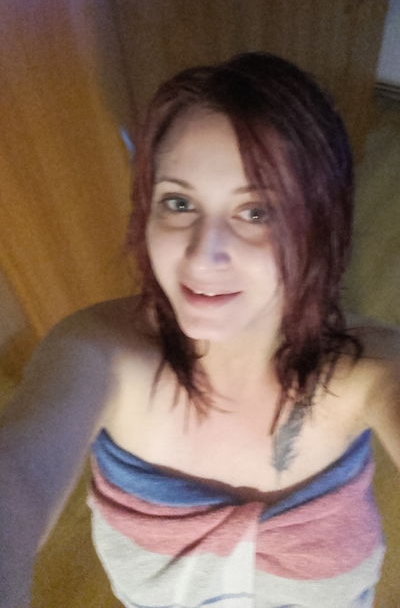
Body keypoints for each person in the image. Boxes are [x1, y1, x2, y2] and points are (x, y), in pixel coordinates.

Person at [1, 52, 399, 608]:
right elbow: (16, 478)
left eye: (256, 212)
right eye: (179, 202)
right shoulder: (102, 353)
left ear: (319, 226)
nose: (202, 254)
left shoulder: (366, 367)